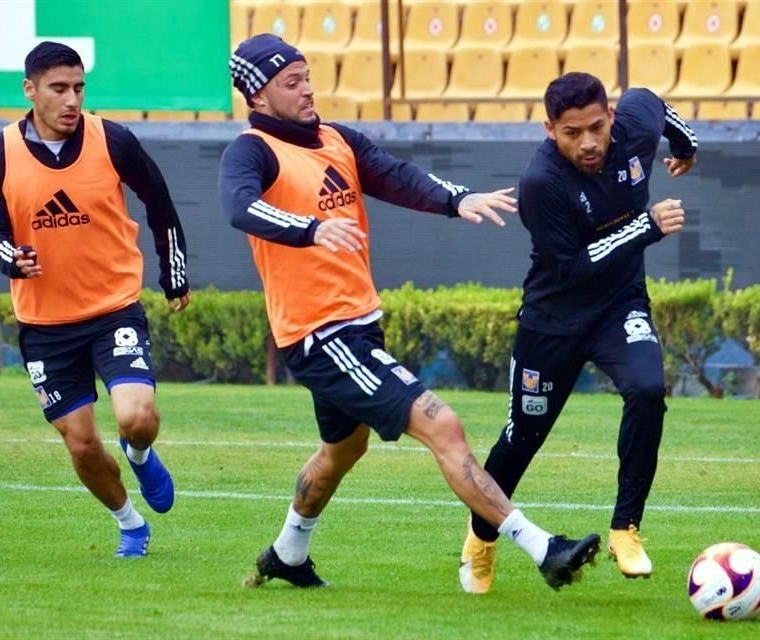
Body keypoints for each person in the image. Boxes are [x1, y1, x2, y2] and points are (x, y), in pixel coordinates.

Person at [219, 34, 600, 591]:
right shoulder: (250, 149)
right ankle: (544, 549)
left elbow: (395, 175)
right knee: (442, 424)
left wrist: (456, 199)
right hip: (320, 334)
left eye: (307, 77)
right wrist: (312, 229)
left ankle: (287, 552)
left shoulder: (336, 138)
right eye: (290, 83)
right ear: (258, 97)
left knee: (344, 447)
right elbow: (238, 207)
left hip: (357, 323)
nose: (307, 90)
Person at [459, 72, 698, 593]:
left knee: (648, 388)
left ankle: (625, 528)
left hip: (619, 306)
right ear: (550, 130)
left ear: (611, 116)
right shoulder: (541, 184)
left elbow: (656, 104)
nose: (588, 143)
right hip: (554, 319)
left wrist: (686, 145)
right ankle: (481, 536)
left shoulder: (632, 127)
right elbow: (574, 269)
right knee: (523, 437)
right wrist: (647, 227)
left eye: (596, 127)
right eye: (572, 133)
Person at [0, 42, 191, 558]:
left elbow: (159, 202)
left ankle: (140, 455)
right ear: (30, 91)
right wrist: (10, 257)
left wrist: (175, 273)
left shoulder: (111, 139)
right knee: (82, 444)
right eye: (59, 89)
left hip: (112, 307)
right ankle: (130, 523)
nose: (72, 100)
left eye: (79, 88)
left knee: (137, 416)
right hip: (45, 325)